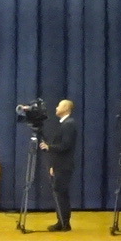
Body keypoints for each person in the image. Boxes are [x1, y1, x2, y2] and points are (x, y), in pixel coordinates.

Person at [38, 98, 78, 232]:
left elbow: (66, 145)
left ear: (66, 108)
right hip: (59, 165)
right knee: (59, 194)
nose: (56, 108)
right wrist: (52, 166)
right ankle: (61, 221)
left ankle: (64, 222)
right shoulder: (64, 124)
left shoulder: (69, 124)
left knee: (61, 194)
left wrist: (49, 147)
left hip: (64, 166)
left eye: (59, 106)